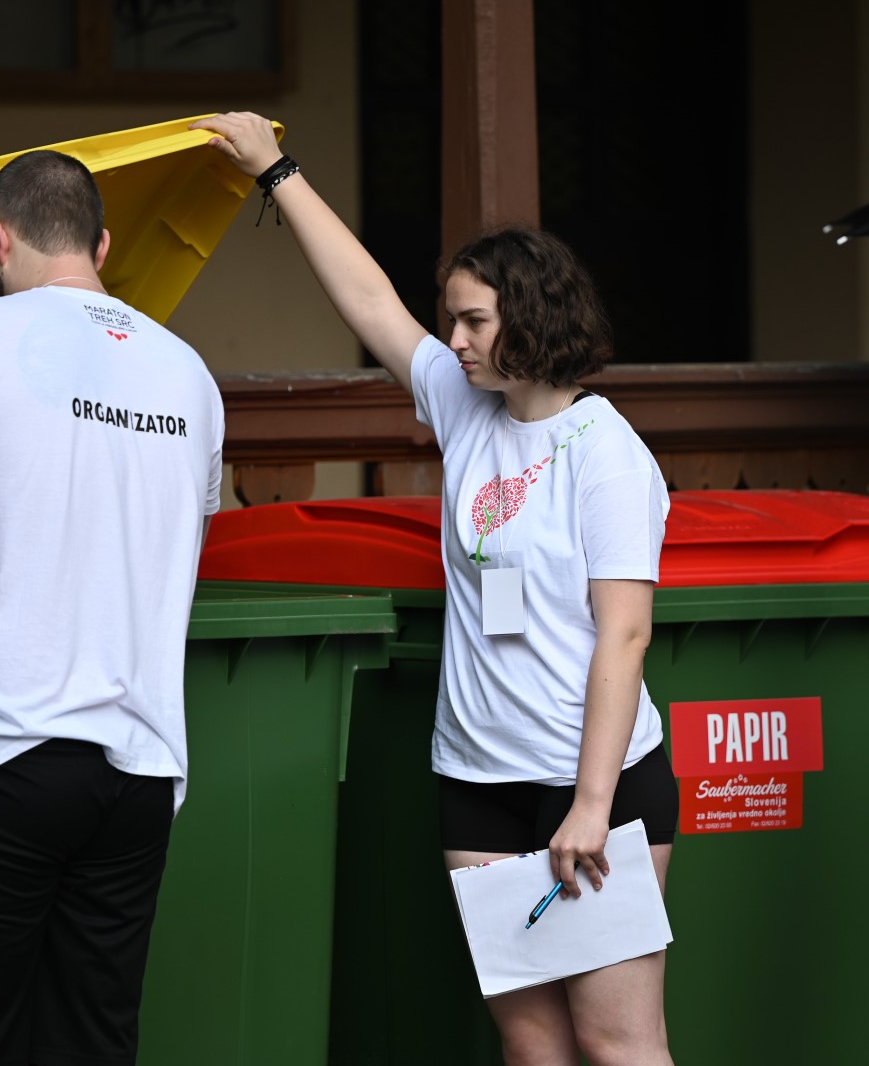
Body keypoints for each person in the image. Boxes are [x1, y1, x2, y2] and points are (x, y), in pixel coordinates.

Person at [192, 112, 677, 1066]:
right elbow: (369, 300)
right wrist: (276, 172)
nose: (452, 339)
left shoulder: (607, 453)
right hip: (476, 780)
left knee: (617, 1043)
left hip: (593, 783)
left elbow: (625, 637)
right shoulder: (466, 406)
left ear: (530, 318)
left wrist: (590, 804)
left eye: (473, 321)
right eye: (450, 320)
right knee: (532, 1046)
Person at [0, 149, 225, 1065]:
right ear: (102, 246)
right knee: (90, 1042)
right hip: (140, 770)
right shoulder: (188, 373)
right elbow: (169, 543)